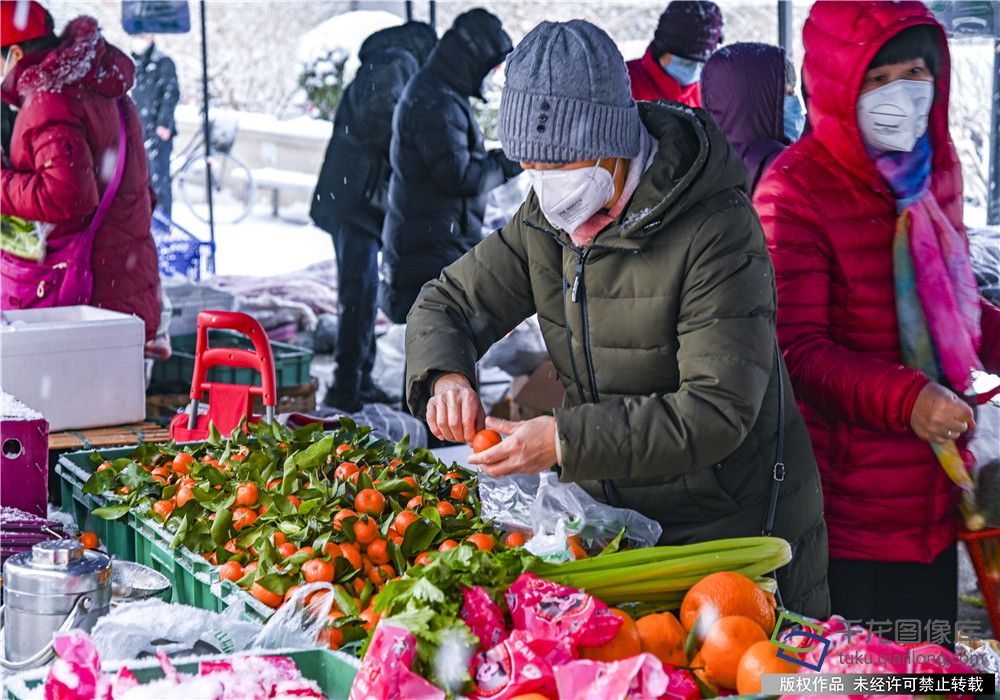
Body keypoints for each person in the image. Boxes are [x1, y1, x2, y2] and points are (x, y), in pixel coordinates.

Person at [404, 20, 830, 618]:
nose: (548, 188)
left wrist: (564, 440)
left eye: (563, 166)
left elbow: (716, 410)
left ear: (615, 141)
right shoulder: (546, 220)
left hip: (727, 529)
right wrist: (444, 375)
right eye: (533, 167)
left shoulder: (716, 230)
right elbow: (447, 300)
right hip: (616, 523)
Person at [756, 1, 1000, 637]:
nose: (902, 93)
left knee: (928, 670)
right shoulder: (795, 189)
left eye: (915, 72)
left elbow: (949, 303)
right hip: (846, 511)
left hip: (931, 495)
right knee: (856, 674)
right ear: (838, 86)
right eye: (877, 78)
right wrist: (909, 400)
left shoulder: (930, 171)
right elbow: (793, 351)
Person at [0, 2, 161, 341]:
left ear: (14, 54)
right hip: (118, 282)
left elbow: (66, 196)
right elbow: (139, 189)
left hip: (83, 294)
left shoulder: (49, 99)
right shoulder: (99, 87)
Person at [311, 22, 437, 413]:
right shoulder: (393, 62)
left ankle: (358, 378)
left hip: (356, 196)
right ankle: (345, 386)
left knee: (361, 293)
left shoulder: (391, 61)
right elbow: (380, 120)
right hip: (355, 200)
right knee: (359, 293)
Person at [378, 8, 521, 326]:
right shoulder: (436, 101)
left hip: (432, 243)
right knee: (437, 341)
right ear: (471, 59)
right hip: (428, 250)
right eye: (490, 68)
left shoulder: (441, 92)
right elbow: (460, 176)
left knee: (438, 341)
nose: (489, 77)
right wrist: (510, 161)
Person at [701, 42, 793, 195]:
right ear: (755, 99)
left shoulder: (704, 168)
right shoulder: (785, 171)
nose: (796, 103)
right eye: (787, 94)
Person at [626, 0, 723, 107]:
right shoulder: (624, 82)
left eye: (702, 65)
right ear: (661, 51)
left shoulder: (708, 94)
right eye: (685, 63)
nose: (694, 71)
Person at [130, 34, 179, 218]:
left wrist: (163, 124)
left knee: (159, 181)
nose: (137, 39)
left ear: (151, 37)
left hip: (157, 133)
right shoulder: (134, 62)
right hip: (139, 132)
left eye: (141, 35)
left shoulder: (163, 62)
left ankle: (162, 223)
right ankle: (147, 222)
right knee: (141, 182)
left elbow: (171, 94)